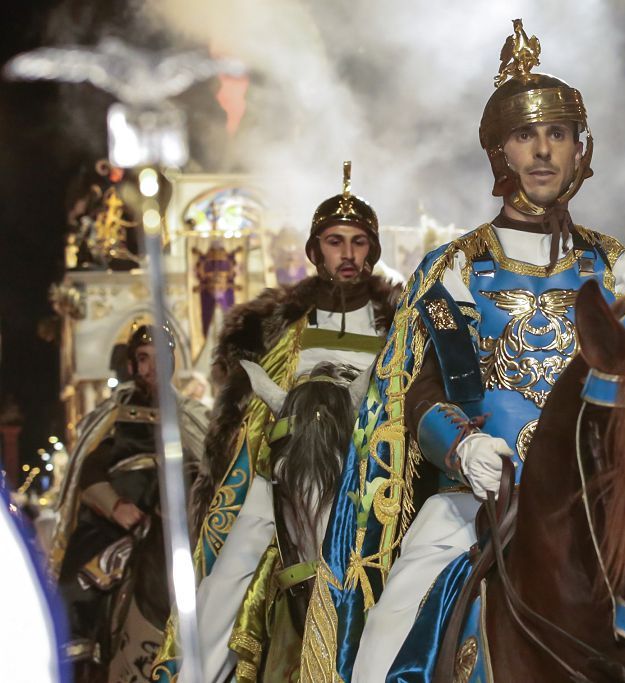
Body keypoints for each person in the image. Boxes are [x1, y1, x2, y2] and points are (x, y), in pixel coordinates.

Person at [302, 19, 625, 681]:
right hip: (478, 504)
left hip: (611, 510)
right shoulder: (457, 269)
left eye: (558, 134)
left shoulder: (621, 269)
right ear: (500, 153)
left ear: (582, 150)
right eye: (526, 136)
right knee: (383, 645)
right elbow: (420, 391)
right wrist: (463, 446)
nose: (544, 151)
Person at [152, 162, 402, 682]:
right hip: (283, 473)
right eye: (336, 241)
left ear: (372, 251)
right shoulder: (278, 324)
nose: (348, 253)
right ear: (316, 252)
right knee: (231, 567)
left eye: (359, 242)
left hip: (366, 476)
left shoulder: (396, 324)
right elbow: (245, 416)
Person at [50, 323, 208, 682]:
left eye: (160, 359)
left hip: (181, 519)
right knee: (75, 587)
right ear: (133, 366)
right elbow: (88, 472)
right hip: (119, 521)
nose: (152, 368)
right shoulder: (114, 416)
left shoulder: (195, 416)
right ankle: (82, 660)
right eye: (143, 359)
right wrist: (117, 506)